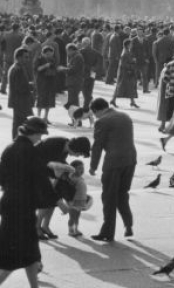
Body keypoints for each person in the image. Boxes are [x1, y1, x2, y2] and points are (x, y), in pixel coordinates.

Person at [0, 117, 51, 288]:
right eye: (40, 134)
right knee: (13, 257)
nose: (40, 138)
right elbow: (41, 178)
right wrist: (56, 200)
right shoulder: (31, 151)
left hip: (10, 203)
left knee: (30, 253)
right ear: (34, 133)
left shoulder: (9, 148)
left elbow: (2, 179)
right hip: (23, 207)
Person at [88, 98, 137, 242]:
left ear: (98, 110)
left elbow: (97, 146)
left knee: (109, 197)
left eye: (94, 113)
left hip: (114, 162)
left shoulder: (102, 121)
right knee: (122, 195)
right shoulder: (125, 116)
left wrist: (93, 166)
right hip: (130, 160)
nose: (95, 116)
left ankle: (107, 232)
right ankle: (128, 225)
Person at [33, 134, 91, 239]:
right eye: (79, 153)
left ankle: (45, 226)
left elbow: (57, 165)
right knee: (47, 199)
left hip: (46, 171)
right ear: (75, 148)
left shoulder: (64, 146)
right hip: (34, 171)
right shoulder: (55, 144)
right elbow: (44, 164)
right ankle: (36, 228)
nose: (77, 156)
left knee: (53, 198)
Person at [7, 48, 37, 139]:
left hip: (19, 100)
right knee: (19, 123)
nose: (28, 59)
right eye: (26, 57)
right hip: (20, 100)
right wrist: (31, 87)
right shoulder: (17, 69)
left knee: (19, 122)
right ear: (19, 57)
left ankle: (17, 140)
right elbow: (20, 87)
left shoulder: (18, 67)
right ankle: (17, 141)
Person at [58, 160, 92, 237]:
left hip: (81, 200)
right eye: (79, 168)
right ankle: (71, 230)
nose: (82, 170)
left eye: (83, 168)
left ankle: (76, 229)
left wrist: (86, 197)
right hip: (73, 201)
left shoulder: (80, 177)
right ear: (72, 169)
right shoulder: (71, 178)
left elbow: (81, 189)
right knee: (72, 217)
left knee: (77, 216)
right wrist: (69, 201)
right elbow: (68, 191)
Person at [111, 39, 141, 109]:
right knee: (121, 87)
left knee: (129, 87)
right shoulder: (125, 53)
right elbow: (123, 64)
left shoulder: (127, 51)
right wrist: (132, 63)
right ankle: (113, 100)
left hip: (127, 72)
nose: (132, 45)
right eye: (131, 44)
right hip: (125, 73)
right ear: (128, 45)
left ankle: (132, 102)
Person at [34, 45, 61, 121]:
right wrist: (45, 65)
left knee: (49, 99)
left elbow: (55, 69)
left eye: (51, 53)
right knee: (41, 98)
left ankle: (46, 117)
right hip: (41, 81)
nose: (50, 55)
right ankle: (38, 116)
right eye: (48, 54)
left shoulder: (53, 60)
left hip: (51, 81)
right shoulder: (39, 59)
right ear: (43, 53)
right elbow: (37, 69)